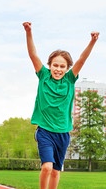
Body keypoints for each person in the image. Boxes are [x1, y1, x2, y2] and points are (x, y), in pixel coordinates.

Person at [22, 22, 99, 189]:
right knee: (47, 167)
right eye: (55, 65)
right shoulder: (43, 76)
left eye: (62, 66)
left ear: (67, 68)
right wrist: (29, 32)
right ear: (49, 66)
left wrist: (92, 41)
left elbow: (82, 59)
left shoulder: (70, 80)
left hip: (63, 133)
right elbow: (33, 55)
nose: (58, 69)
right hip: (45, 131)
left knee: (56, 171)